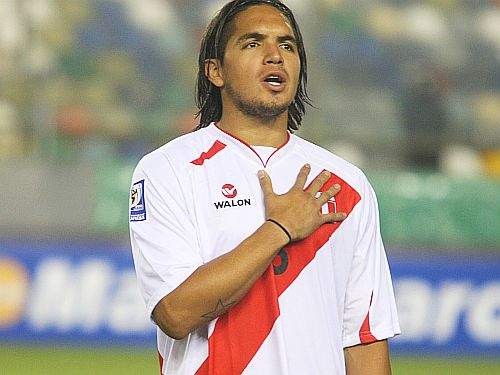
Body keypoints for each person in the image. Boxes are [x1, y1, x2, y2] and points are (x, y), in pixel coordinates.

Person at [129, 1, 400, 374]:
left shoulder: (346, 184)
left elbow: (363, 337)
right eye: (253, 43)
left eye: (287, 45)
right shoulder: (168, 170)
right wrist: (278, 230)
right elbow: (175, 313)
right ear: (216, 71)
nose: (275, 55)